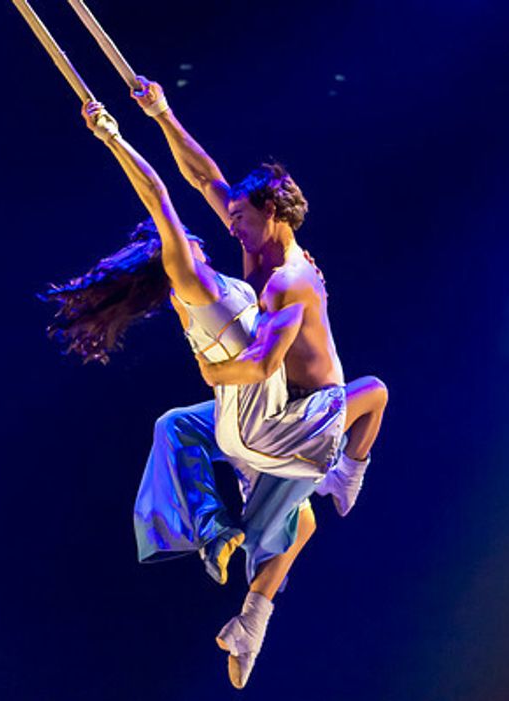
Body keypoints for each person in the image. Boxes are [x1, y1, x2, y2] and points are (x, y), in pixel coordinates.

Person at [42, 99, 387, 688]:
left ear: (274, 213)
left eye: (242, 219)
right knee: (362, 401)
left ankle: (259, 600)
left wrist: (212, 372)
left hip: (303, 412)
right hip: (274, 419)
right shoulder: (250, 256)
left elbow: (262, 362)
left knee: (355, 417)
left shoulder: (290, 279)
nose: (230, 226)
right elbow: (202, 177)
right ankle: (303, 504)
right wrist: (162, 114)